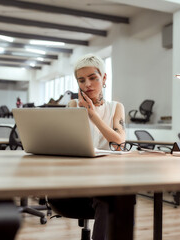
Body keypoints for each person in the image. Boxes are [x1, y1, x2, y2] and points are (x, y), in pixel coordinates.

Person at [68, 53, 126, 240]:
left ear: (104, 78)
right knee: (108, 197)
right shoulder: (72, 105)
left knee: (111, 196)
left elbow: (119, 142)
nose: (87, 85)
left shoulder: (116, 107)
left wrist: (93, 115)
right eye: (82, 80)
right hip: (79, 175)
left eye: (93, 78)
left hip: (106, 176)